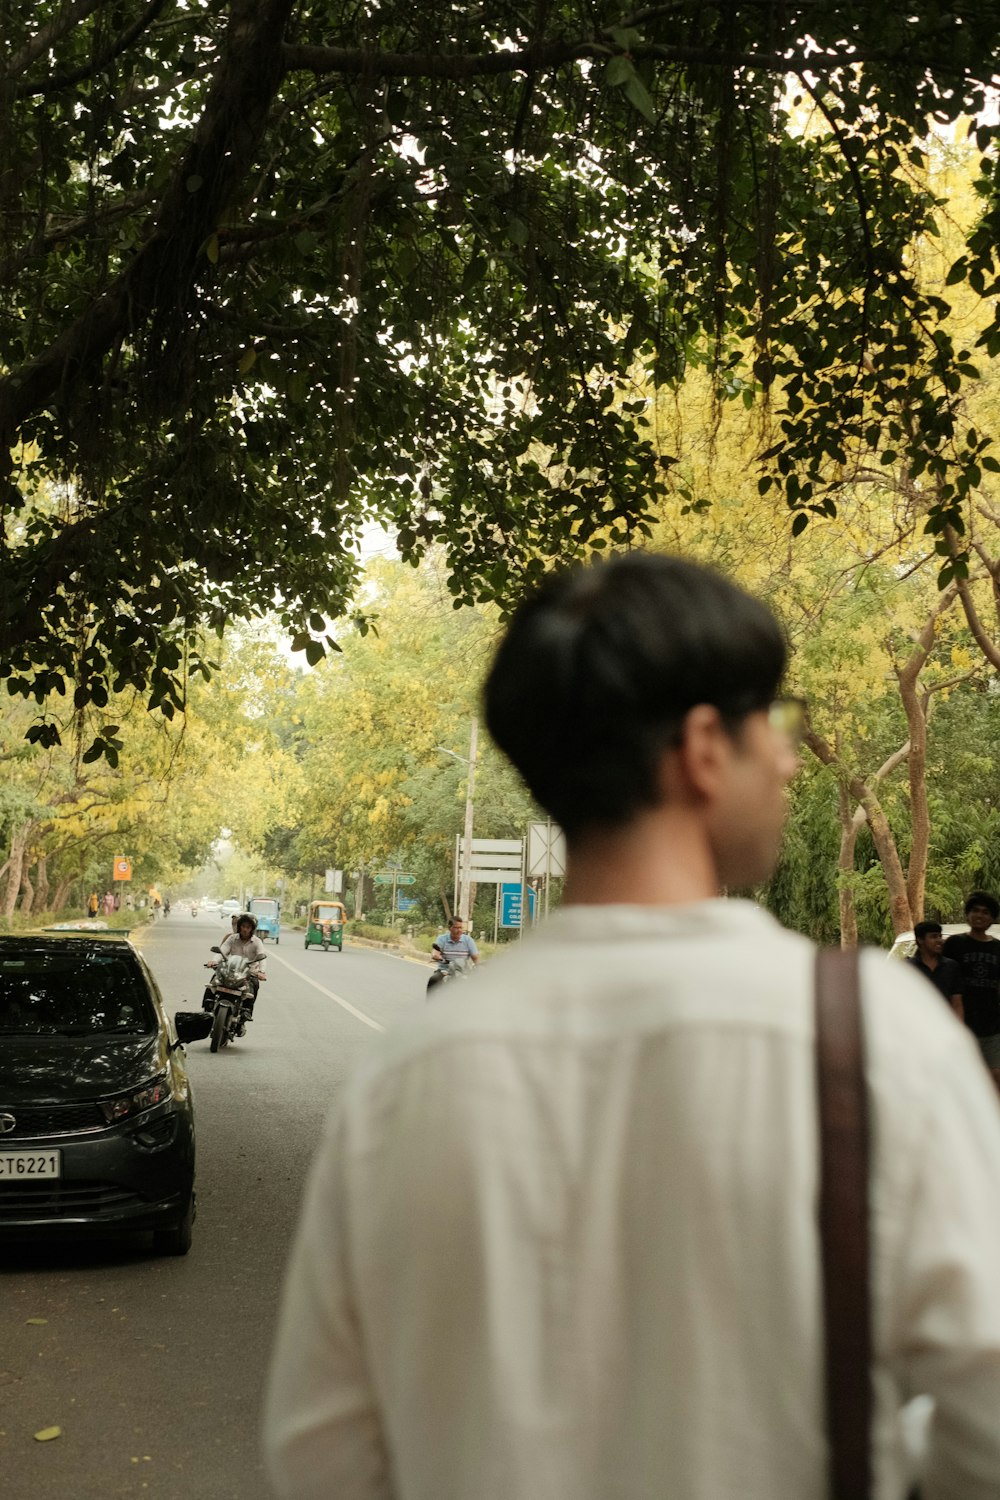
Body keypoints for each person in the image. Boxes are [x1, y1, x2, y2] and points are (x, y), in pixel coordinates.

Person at [264, 552, 1000, 1500]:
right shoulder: (872, 1038)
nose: (786, 756)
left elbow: (321, 1456)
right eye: (773, 723)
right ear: (702, 749)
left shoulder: (403, 1078)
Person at [943, 891, 1000, 1081]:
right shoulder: (954, 944)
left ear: (992, 918)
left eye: (985, 912)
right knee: (962, 1077)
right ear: (967, 914)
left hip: (992, 1023)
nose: (979, 916)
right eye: (975, 910)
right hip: (960, 1022)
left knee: (994, 1075)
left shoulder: (998, 948)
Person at [907, 919, 964, 1020]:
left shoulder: (951, 966)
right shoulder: (908, 968)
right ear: (920, 940)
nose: (940, 941)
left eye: (940, 936)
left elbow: (957, 1003)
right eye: (933, 936)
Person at [217, 912, 266, 1019]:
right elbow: (222, 951)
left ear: (252, 929)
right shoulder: (232, 938)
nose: (245, 929)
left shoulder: (257, 942)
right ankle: (208, 1004)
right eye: (243, 926)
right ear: (239, 927)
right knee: (215, 980)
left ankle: (247, 1011)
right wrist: (214, 961)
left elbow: (262, 957)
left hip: (248, 973)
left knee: (254, 984)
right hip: (230, 969)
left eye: (248, 927)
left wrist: (262, 972)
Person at [426, 916, 479, 993]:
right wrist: (439, 957)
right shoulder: (442, 939)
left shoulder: (468, 940)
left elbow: (476, 958)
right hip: (445, 970)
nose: (459, 930)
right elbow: (435, 953)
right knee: (433, 980)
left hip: (462, 971)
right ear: (449, 928)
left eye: (461, 927)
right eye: (456, 928)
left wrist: (477, 968)